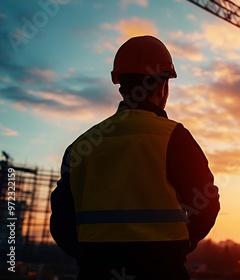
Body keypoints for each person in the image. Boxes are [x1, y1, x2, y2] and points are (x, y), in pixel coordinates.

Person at [50, 35, 220, 280]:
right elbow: (206, 204)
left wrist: (93, 260)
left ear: (121, 85)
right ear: (163, 86)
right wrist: (178, 248)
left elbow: (62, 222)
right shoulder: (175, 138)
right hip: (162, 271)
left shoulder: (81, 146)